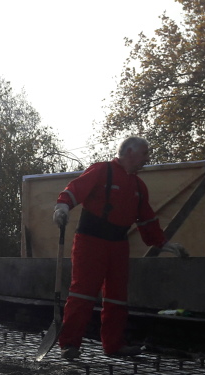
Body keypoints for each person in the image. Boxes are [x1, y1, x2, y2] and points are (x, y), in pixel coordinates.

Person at [51, 136, 188, 360]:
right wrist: (62, 207)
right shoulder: (102, 171)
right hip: (90, 240)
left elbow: (146, 219)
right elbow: (76, 188)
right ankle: (69, 344)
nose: (147, 159)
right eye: (145, 153)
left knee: (117, 297)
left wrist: (164, 243)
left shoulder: (138, 186)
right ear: (130, 152)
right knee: (82, 293)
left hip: (118, 243)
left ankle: (114, 345)